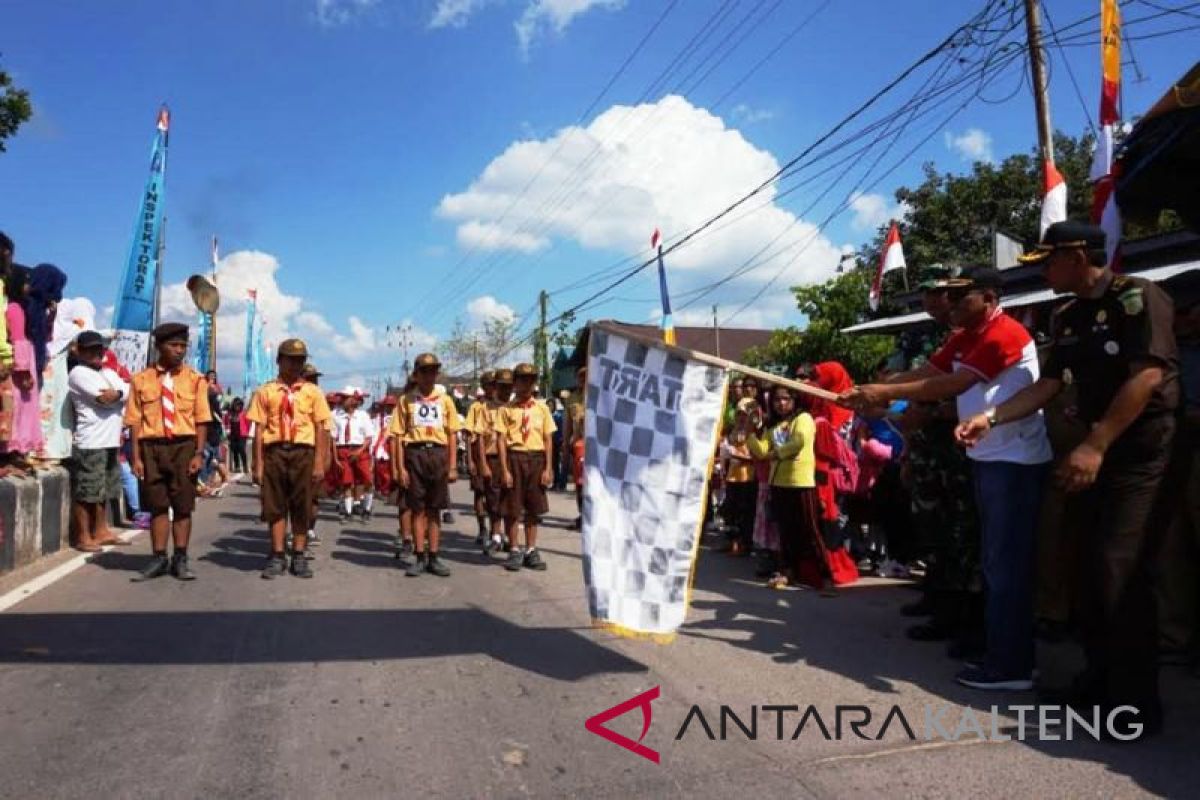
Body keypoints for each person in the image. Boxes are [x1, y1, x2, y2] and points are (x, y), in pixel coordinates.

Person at [957, 221, 1179, 734]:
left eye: (1049, 262)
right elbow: (1050, 385)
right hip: (1088, 452)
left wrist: (1096, 444)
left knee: (1119, 568)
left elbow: (1147, 375)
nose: (1044, 271)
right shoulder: (1068, 315)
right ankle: (1098, 682)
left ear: (1078, 256)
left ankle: (1134, 705)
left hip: (1137, 452)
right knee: (1083, 565)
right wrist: (989, 418)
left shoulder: (1139, 297)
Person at [845, 266, 1052, 692]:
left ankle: (1011, 665)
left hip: (1014, 460)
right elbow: (928, 373)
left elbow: (952, 385)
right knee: (993, 560)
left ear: (990, 298)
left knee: (1005, 565)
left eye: (962, 297)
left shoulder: (1005, 334)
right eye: (951, 297)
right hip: (987, 456)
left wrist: (884, 394)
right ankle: (1000, 652)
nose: (952, 305)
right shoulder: (964, 336)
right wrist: (869, 387)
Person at [124, 322, 212, 582]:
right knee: (157, 505)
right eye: (173, 345)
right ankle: (159, 557)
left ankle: (181, 557)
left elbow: (201, 419)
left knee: (183, 506)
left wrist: (198, 453)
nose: (179, 350)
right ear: (159, 346)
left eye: (183, 346)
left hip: (183, 447)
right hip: (152, 448)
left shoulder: (196, 380)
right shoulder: (141, 380)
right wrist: (137, 457)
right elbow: (135, 422)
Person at [246, 339, 332, 579]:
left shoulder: (313, 393)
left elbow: (321, 428)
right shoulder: (266, 391)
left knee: (302, 506)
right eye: (291, 359)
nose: (296, 365)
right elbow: (260, 430)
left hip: (303, 453)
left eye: (300, 360)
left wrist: (319, 462)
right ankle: (277, 554)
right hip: (275, 452)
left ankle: (299, 555)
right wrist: (258, 464)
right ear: (279, 361)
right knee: (275, 506)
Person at [748, 385, 836, 596]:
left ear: (795, 400)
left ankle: (826, 578)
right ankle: (788, 571)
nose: (781, 403)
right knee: (786, 532)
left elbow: (798, 442)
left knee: (811, 531)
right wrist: (751, 431)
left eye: (785, 399)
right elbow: (761, 451)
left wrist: (774, 454)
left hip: (801, 483)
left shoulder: (803, 418)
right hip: (778, 484)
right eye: (777, 400)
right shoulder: (773, 425)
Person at [390, 354, 459, 578]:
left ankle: (434, 556)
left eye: (433, 371)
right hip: (415, 453)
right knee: (417, 509)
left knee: (435, 509)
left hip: (438, 454)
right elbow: (398, 437)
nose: (429, 376)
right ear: (416, 375)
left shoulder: (445, 400)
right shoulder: (406, 401)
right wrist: (399, 468)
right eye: (424, 372)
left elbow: (451, 435)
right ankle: (419, 555)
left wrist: (452, 465)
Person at [66, 331, 130, 552]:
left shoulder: (108, 372)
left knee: (104, 490)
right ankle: (83, 536)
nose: (97, 353)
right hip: (90, 441)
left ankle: (101, 530)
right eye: (91, 349)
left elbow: (128, 390)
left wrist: (119, 394)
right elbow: (103, 400)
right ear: (80, 352)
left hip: (110, 439)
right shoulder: (78, 373)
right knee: (87, 492)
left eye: (99, 349)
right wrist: (120, 396)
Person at [496, 362, 555, 572]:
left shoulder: (542, 408)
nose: (526, 384)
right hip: (515, 458)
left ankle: (531, 549)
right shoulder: (506, 410)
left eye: (530, 380)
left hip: (536, 459)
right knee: (512, 507)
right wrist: (504, 469)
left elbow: (548, 439)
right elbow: (501, 440)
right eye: (521, 379)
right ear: (515, 383)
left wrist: (548, 468)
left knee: (533, 508)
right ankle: (514, 548)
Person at [3, 266, 43, 461]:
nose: (29, 287)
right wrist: (24, 371)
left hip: (23, 362)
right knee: (22, 409)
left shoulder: (13, 307)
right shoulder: (16, 309)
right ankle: (15, 448)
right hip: (22, 366)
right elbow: (18, 339)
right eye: (26, 282)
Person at [331, 386, 376, 523]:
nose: (342, 400)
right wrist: (335, 457)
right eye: (342, 397)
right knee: (346, 482)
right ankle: (348, 512)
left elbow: (369, 437)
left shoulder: (362, 416)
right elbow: (333, 438)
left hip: (360, 449)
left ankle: (366, 509)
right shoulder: (335, 415)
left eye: (345, 398)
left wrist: (360, 451)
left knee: (368, 480)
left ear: (352, 400)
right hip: (343, 449)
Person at [720, 398, 758, 556]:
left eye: (745, 414)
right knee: (731, 510)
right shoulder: (733, 430)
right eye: (739, 414)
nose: (741, 418)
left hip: (747, 476)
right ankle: (732, 541)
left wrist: (737, 455)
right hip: (732, 475)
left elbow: (757, 457)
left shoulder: (755, 432)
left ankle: (744, 544)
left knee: (745, 511)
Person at [465, 371, 496, 546]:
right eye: (490, 385)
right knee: (479, 492)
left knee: (495, 493)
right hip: (478, 450)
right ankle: (482, 528)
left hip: (495, 451)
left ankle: (495, 530)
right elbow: (469, 435)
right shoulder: (476, 407)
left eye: (495, 384)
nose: (493, 388)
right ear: (484, 388)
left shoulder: (500, 405)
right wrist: (469, 460)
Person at [561, 366, 587, 531]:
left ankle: (593, 516)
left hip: (597, 447)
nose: (584, 380)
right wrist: (565, 446)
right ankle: (582, 514)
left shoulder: (601, 394)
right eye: (581, 377)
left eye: (587, 376)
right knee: (579, 484)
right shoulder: (572, 399)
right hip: (578, 446)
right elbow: (567, 425)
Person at [227, 397, 249, 475]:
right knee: (235, 450)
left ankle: (245, 465)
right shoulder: (230, 414)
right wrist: (228, 431)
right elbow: (227, 423)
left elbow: (248, 423)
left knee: (241, 449)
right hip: (233, 435)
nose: (237, 407)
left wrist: (248, 433)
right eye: (236, 405)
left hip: (242, 434)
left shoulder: (244, 413)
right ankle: (237, 466)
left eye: (239, 405)